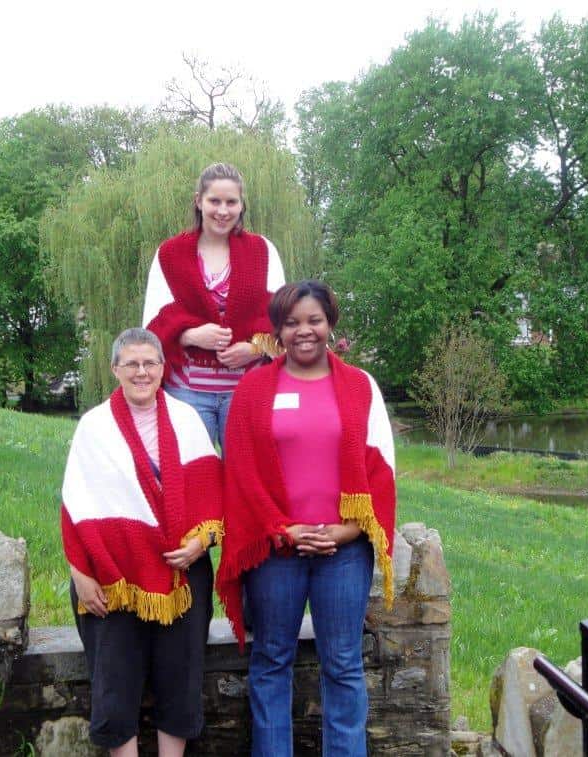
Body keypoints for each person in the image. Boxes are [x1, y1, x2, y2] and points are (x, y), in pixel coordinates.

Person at [215, 280, 397, 757]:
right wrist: (282, 529)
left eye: (314, 320)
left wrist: (348, 529)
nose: (304, 331)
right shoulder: (254, 389)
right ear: (277, 329)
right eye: (292, 322)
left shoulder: (360, 386)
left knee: (342, 664)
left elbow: (381, 469)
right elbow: (241, 471)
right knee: (272, 660)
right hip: (276, 549)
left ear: (330, 324)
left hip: (343, 551)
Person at [60, 327, 223, 757]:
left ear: (163, 368)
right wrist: (80, 575)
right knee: (115, 679)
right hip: (113, 576)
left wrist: (202, 542)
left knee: (180, 677)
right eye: (131, 363)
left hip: (182, 576)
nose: (141, 371)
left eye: (150, 362)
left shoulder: (187, 421)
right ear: (115, 369)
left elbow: (213, 495)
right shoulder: (94, 428)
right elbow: (75, 507)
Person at [142, 162, 285, 448]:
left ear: (241, 205)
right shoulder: (170, 253)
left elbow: (286, 322)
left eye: (231, 202)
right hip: (187, 393)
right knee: (194, 478)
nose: (223, 210)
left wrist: (255, 348)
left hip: (247, 390)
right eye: (214, 201)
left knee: (245, 479)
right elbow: (150, 326)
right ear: (198, 201)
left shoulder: (262, 250)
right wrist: (190, 335)